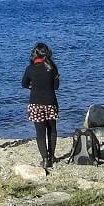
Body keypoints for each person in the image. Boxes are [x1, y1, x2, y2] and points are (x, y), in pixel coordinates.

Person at [21, 42, 60, 170]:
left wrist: (33, 86)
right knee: (52, 130)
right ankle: (52, 156)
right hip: (50, 102)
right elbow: (56, 86)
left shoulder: (30, 69)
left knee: (40, 132)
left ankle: (44, 158)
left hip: (36, 103)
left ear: (34, 54)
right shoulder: (52, 67)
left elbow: (24, 84)